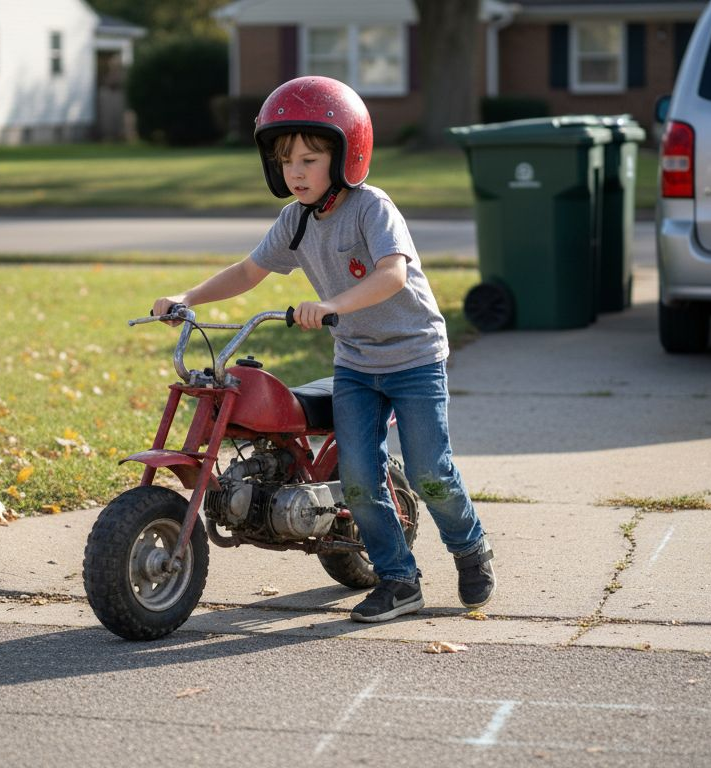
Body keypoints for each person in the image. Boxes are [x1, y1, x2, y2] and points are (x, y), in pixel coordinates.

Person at [150, 75, 493, 623]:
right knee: (358, 481)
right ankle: (399, 580)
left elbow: (392, 277)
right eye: (286, 160)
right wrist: (187, 297)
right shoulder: (294, 220)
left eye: (310, 159)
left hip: (414, 358)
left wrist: (332, 304)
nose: (296, 172)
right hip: (356, 364)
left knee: (429, 471)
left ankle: (470, 544)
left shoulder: (371, 208)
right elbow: (248, 270)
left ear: (346, 155)